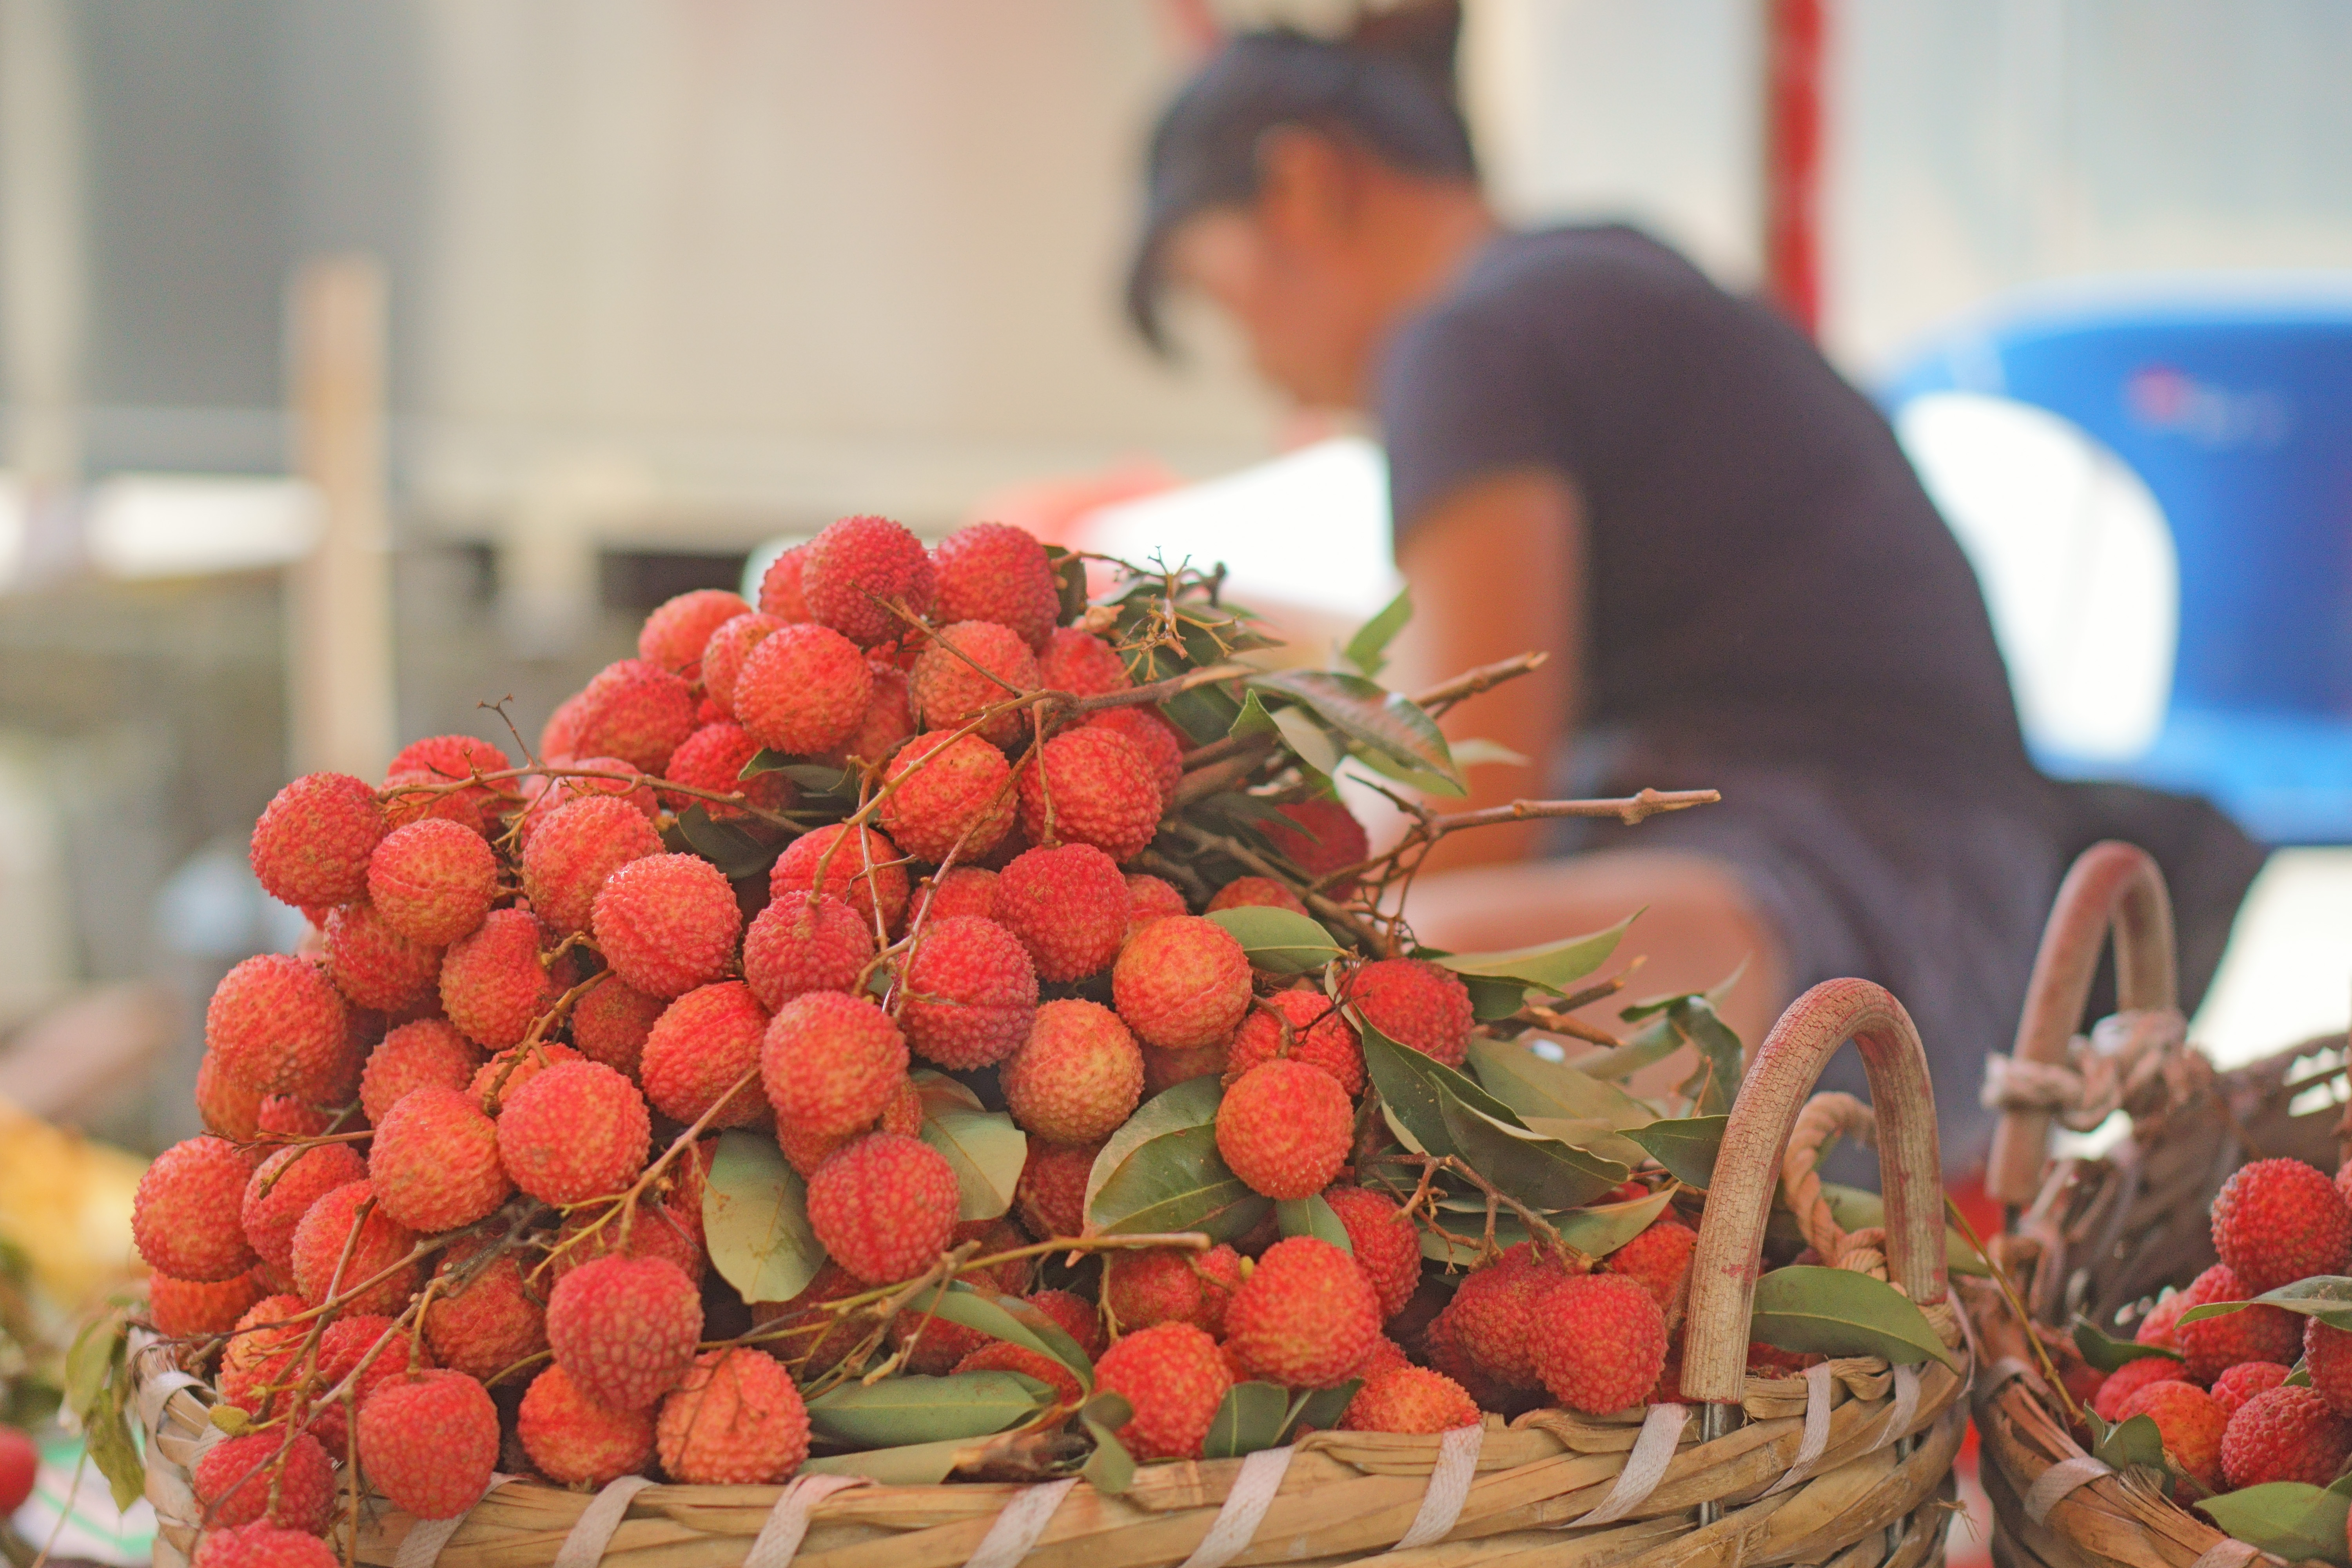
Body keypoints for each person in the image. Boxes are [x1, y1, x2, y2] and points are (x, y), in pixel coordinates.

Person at [1123, 5, 2263, 1172]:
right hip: (1978, 932)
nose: (1257, 361)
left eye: (1220, 302)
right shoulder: (1592, 279)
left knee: (1319, 999)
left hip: (1856, 929)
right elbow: (1437, 687)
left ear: (1304, 186)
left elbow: (1461, 813)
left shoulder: (1468, 341)